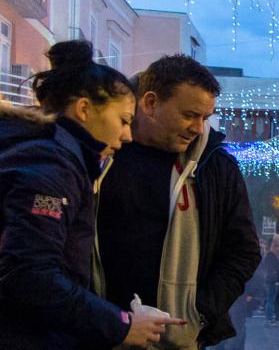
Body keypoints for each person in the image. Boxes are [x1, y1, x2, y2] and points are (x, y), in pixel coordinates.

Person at [0, 40, 183, 349]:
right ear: (83, 109)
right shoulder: (51, 166)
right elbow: (29, 275)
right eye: (124, 121)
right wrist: (121, 324)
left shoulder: (44, 153)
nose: (126, 136)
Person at [94, 54, 261, 349]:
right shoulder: (103, 152)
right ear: (149, 103)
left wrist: (198, 313)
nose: (198, 127)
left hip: (176, 339)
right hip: (99, 331)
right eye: (189, 114)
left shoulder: (215, 167)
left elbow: (244, 251)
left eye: (205, 118)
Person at [262, 234, 279, 326]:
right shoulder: (271, 255)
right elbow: (271, 270)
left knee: (270, 300)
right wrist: (277, 280)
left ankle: (269, 319)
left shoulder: (269, 254)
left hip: (270, 280)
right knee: (270, 300)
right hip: (271, 281)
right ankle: (269, 319)